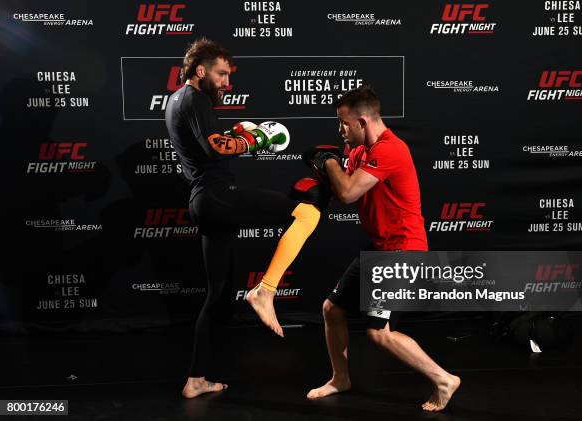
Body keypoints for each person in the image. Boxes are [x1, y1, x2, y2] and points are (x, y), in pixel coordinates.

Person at [165, 38, 328, 398]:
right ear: (200, 70)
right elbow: (216, 148)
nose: (226, 82)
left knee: (219, 294)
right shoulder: (194, 98)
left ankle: (196, 379)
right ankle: (264, 292)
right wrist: (255, 138)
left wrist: (238, 134)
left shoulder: (176, 100)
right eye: (221, 74)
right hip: (217, 196)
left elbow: (211, 145)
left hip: (204, 202)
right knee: (306, 211)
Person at [305, 87, 461, 412]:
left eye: (343, 124)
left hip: (402, 251)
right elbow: (340, 189)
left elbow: (347, 192)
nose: (340, 130)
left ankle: (444, 379)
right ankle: (340, 379)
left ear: (362, 121)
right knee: (332, 310)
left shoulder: (391, 150)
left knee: (379, 333)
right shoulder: (362, 152)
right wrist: (320, 175)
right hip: (380, 248)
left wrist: (330, 161)